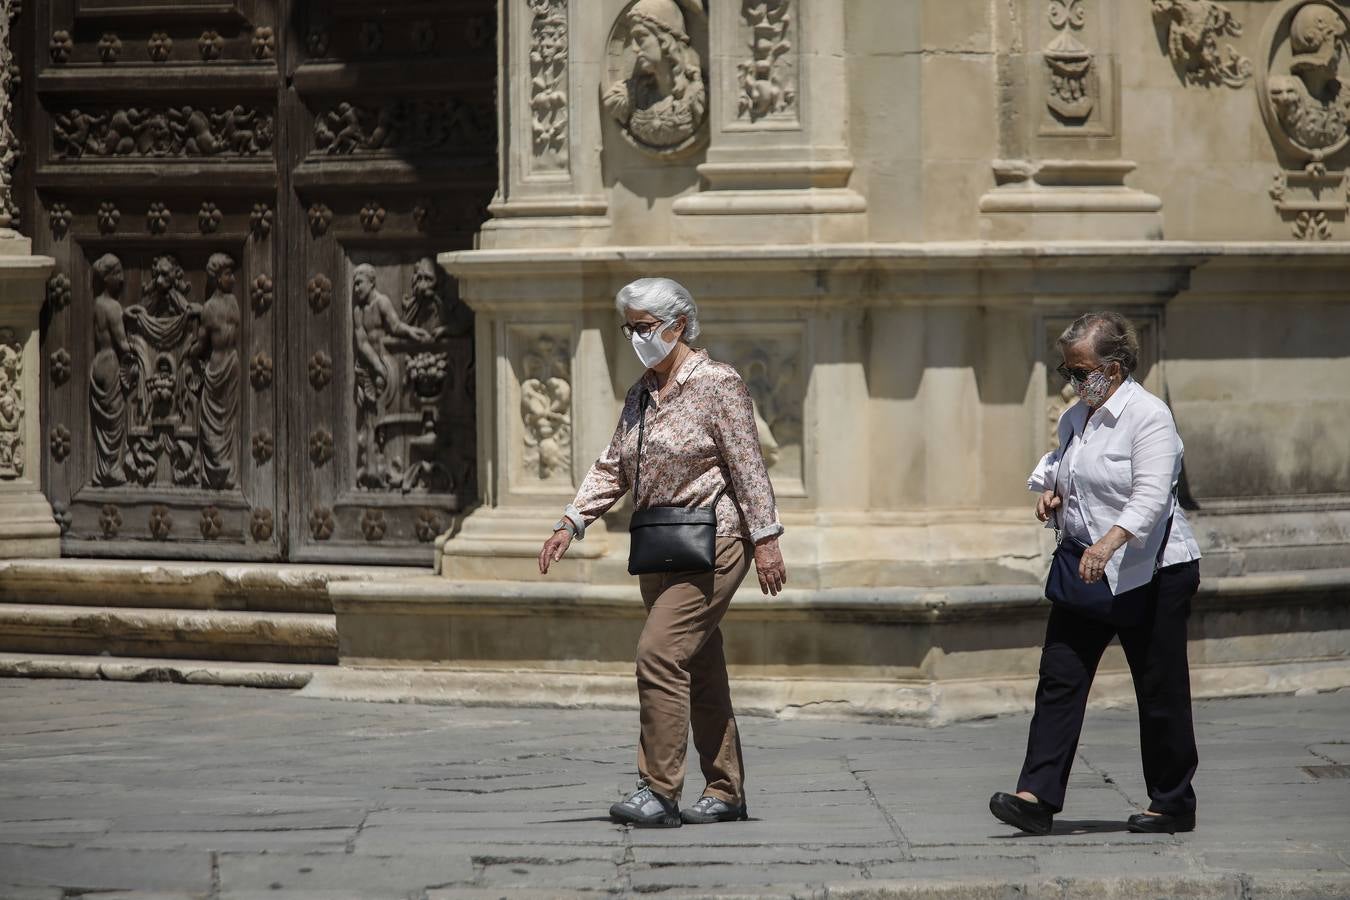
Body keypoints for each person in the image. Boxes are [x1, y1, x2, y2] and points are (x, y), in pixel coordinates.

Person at [538, 277, 787, 828]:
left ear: (678, 325)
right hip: (660, 546)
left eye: (644, 328)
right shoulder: (640, 394)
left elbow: (747, 464)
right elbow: (613, 466)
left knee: (658, 653)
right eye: (629, 328)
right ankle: (725, 791)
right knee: (699, 666)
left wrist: (766, 538)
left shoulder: (718, 382)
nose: (636, 338)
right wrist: (571, 521)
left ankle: (659, 790)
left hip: (716, 540)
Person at [989, 311, 1203, 836]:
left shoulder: (1148, 417)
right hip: (1085, 570)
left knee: (1159, 689)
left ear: (1115, 365)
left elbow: (1151, 496)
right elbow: (1064, 465)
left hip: (1151, 573)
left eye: (1082, 371)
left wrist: (1110, 542)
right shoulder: (1076, 416)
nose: (1075, 382)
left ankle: (1173, 802)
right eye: (1068, 371)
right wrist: (1052, 493)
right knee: (1059, 678)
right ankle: (1035, 797)